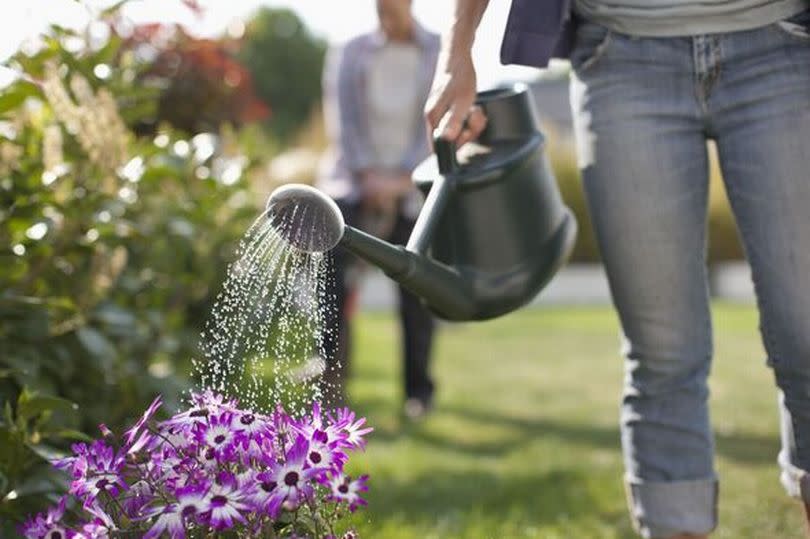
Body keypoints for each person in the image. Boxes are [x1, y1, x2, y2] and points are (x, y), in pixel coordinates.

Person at [426, 0, 810, 537]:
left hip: (784, 47)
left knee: (806, 338)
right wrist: (457, 49)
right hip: (622, 56)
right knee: (663, 353)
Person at [317, 0, 441, 419]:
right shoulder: (351, 52)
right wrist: (368, 176)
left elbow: (437, 123)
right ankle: (331, 381)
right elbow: (344, 122)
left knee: (416, 295)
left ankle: (417, 392)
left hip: (413, 188)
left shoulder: (437, 51)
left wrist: (401, 180)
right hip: (354, 185)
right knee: (332, 285)